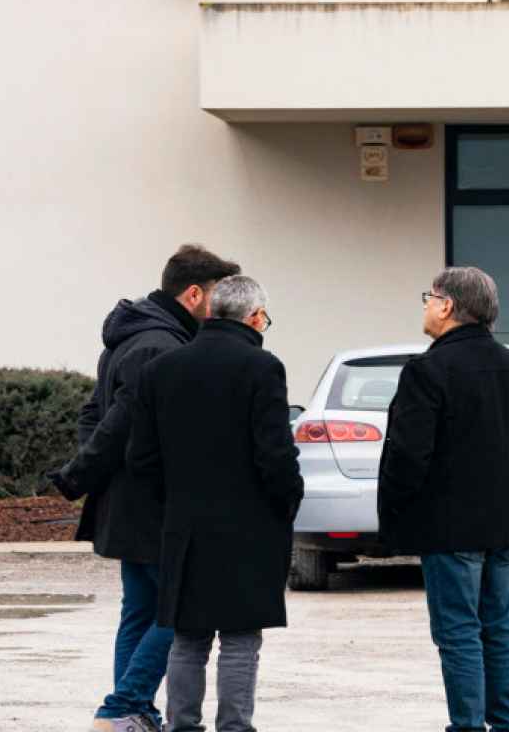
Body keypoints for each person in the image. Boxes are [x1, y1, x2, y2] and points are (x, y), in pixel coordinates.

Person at [50, 244, 241, 732]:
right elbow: (122, 422)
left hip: (127, 499)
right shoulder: (162, 347)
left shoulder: (133, 337)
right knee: (175, 612)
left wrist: (98, 471)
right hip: (155, 503)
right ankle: (123, 706)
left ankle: (134, 714)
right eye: (217, 296)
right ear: (195, 293)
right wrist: (89, 472)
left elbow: (94, 416)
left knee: (139, 611)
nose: (221, 308)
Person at [127, 275, 303, 732]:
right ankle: (234, 727)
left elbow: (140, 457)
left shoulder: (162, 369)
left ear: (208, 312)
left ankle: (181, 725)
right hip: (250, 525)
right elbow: (275, 455)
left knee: (188, 638)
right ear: (256, 317)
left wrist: (175, 500)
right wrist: (288, 501)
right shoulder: (262, 367)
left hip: (184, 524)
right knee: (241, 638)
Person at [377, 267, 509, 732]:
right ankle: (505, 723)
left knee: (457, 632)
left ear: (448, 306)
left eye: (429, 297)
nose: (427, 306)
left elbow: (408, 456)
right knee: (499, 627)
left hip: (448, 526)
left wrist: (395, 512)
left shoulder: (427, 371)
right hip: (503, 523)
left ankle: (467, 725)